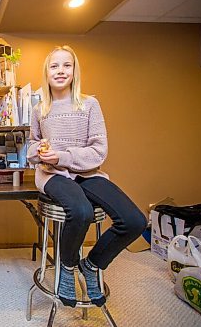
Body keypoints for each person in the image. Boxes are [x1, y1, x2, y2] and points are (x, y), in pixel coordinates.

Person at [27, 45, 147, 308]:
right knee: (80, 211)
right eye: (54, 66)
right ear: (46, 72)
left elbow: (98, 151)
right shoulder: (40, 108)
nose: (60, 71)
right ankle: (67, 266)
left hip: (88, 173)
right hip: (53, 175)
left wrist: (63, 156)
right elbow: (32, 145)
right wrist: (40, 152)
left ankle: (92, 264)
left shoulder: (90, 104)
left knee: (135, 220)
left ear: (74, 70)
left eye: (66, 65)